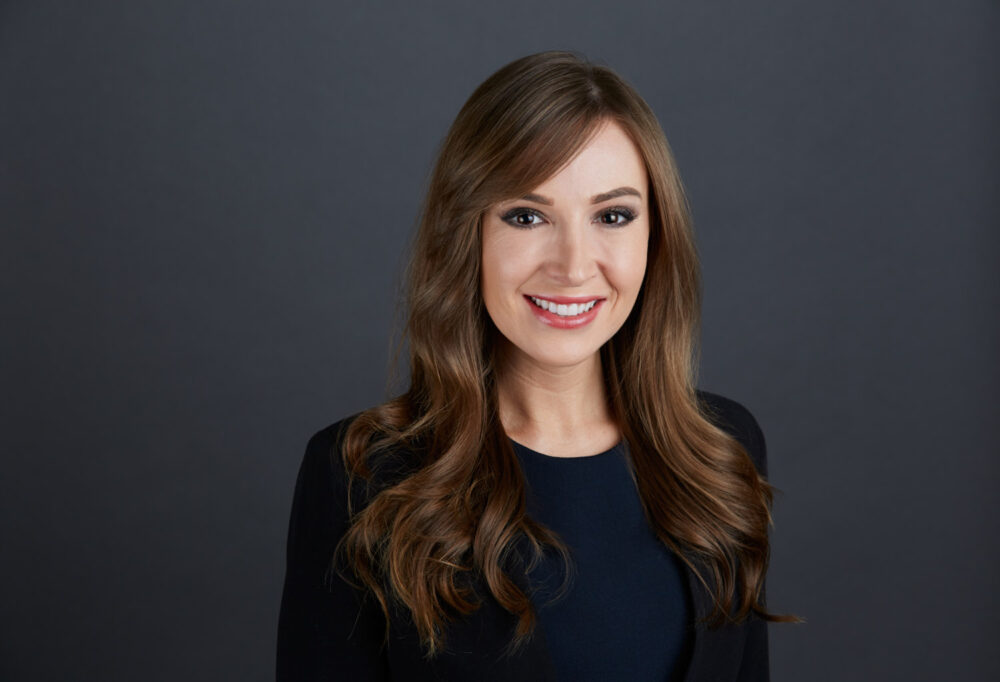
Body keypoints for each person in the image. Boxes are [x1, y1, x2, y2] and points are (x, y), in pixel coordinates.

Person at [276, 50, 796, 682]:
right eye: (526, 216)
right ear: (466, 233)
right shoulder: (361, 476)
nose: (574, 266)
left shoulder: (722, 451)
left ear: (655, 237)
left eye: (613, 215)